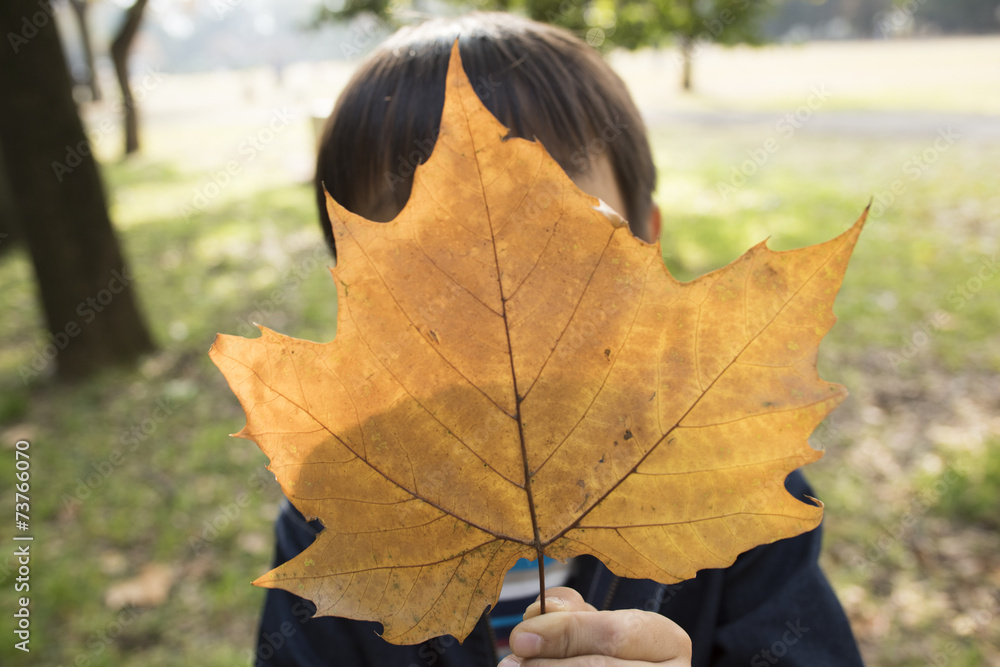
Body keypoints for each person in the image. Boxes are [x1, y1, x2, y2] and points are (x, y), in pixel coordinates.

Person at [255, 12, 864, 667]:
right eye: (429, 239)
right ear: (355, 284)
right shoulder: (342, 503)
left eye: (556, 217)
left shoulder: (723, 476)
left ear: (645, 240)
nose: (499, 267)